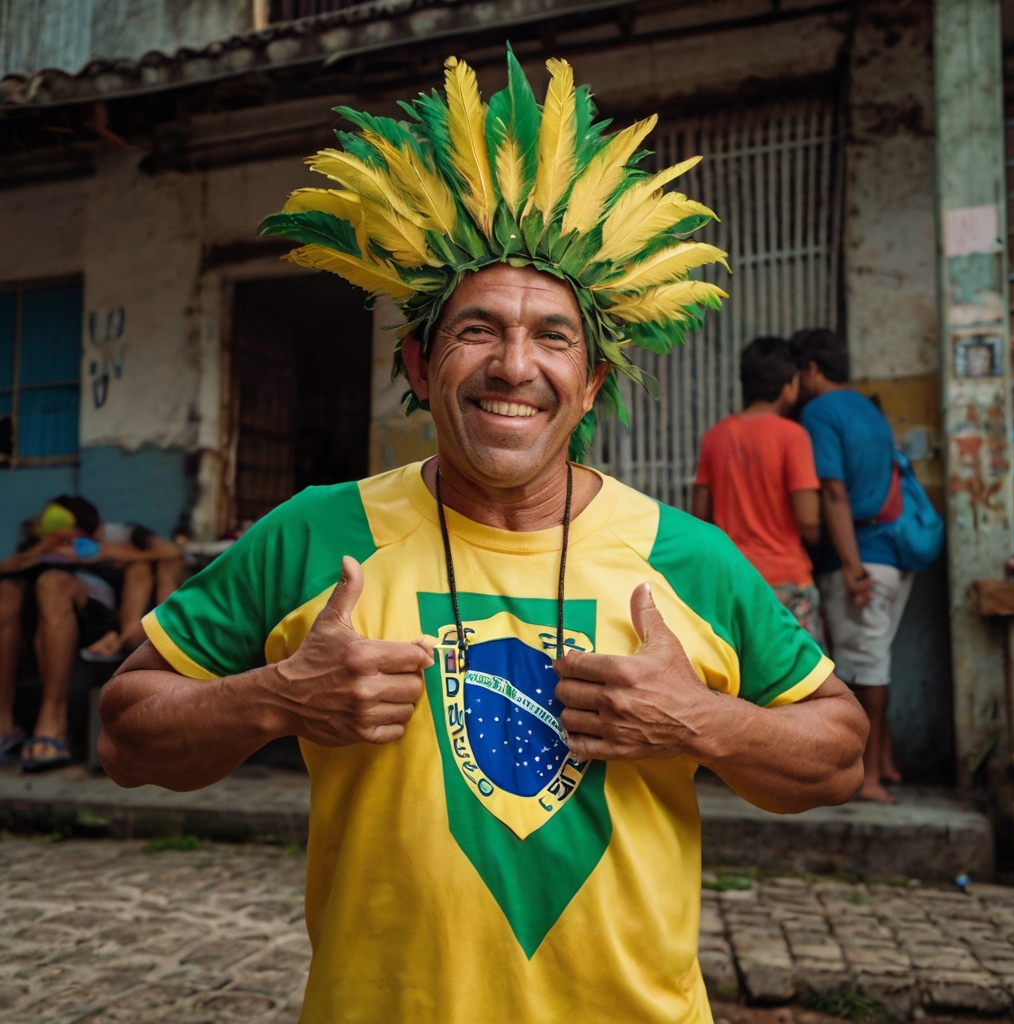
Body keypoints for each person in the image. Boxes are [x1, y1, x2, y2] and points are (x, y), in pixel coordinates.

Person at [99, 49, 868, 1024]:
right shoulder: (317, 532)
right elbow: (124, 731)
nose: (514, 365)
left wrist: (698, 722)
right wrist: (275, 697)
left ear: (591, 383)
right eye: (476, 331)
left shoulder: (687, 556)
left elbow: (839, 753)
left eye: (552, 335)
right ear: (419, 363)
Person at [793, 327, 911, 803]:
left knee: (863, 669)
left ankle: (868, 779)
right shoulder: (869, 408)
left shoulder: (820, 410)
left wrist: (851, 566)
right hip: (894, 553)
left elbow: (834, 492)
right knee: (875, 659)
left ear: (812, 371)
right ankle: (884, 763)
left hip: (863, 555)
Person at [0, 495, 183, 771]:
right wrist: (44, 549)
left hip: (95, 614)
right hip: (41, 614)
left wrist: (105, 553)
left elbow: (171, 553)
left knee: (53, 584)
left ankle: (53, 721)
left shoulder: (121, 536)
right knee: (7, 593)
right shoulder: (43, 545)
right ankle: (4, 725)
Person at [692, 337, 823, 641]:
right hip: (787, 580)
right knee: (799, 679)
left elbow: (700, 516)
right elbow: (809, 519)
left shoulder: (716, 436)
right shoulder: (793, 436)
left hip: (732, 581)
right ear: (788, 385)